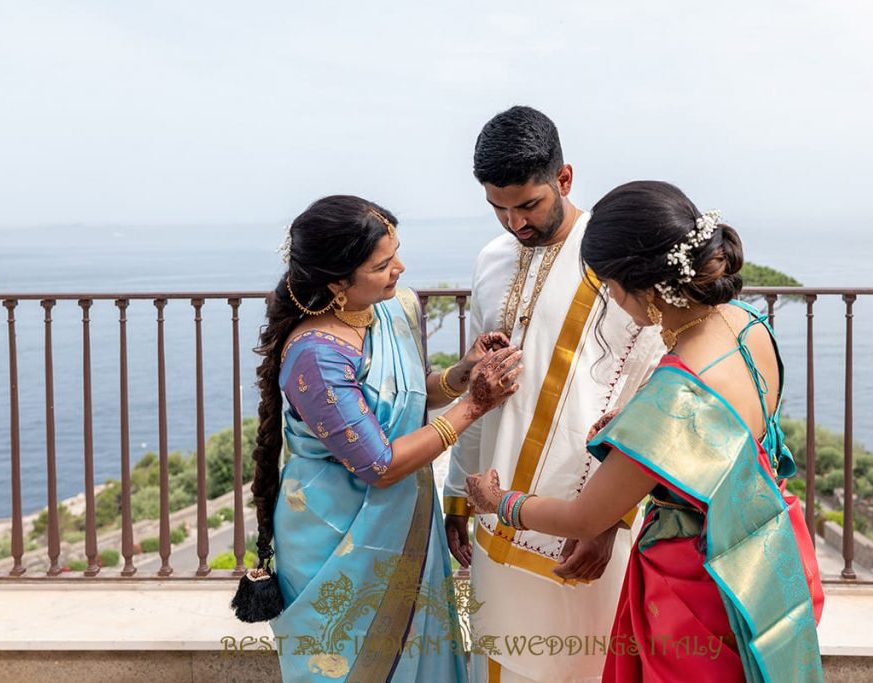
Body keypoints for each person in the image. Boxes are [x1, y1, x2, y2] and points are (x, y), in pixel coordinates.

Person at [466, 181, 825, 682]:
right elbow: (733, 442)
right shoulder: (748, 325)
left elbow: (584, 517)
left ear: (643, 288)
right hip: (771, 550)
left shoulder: (671, 398)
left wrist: (497, 500)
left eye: (608, 286)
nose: (610, 299)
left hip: (700, 581)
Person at [240, 195, 523, 682]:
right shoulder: (316, 356)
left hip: (405, 519)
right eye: (382, 264)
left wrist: (460, 374)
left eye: (396, 253)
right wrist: (474, 406)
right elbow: (381, 463)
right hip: (336, 538)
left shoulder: (397, 308)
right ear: (335, 282)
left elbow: (410, 397)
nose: (400, 268)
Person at [443, 107, 665, 682]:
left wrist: (610, 521)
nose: (514, 222)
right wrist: (456, 492)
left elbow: (651, 391)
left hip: (590, 523)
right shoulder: (491, 262)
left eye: (529, 205)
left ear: (564, 179)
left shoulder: (618, 257)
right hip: (498, 510)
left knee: (583, 665)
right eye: (499, 207)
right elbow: (482, 392)